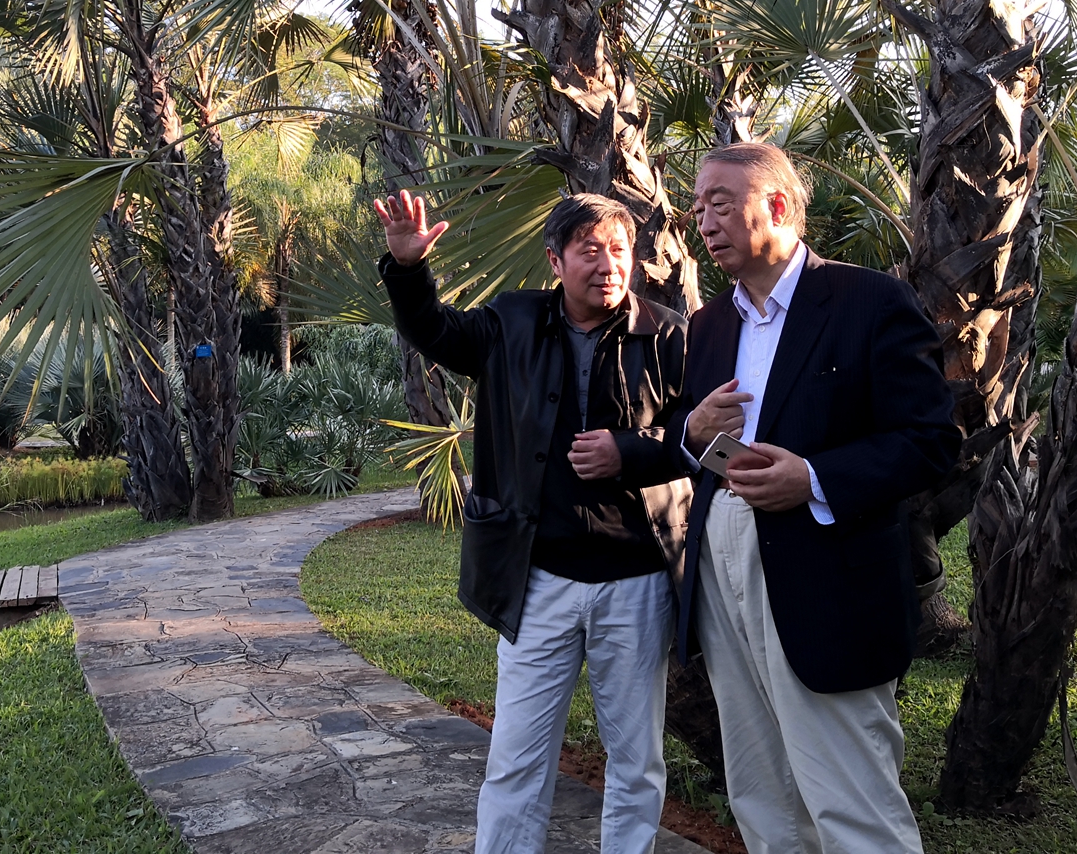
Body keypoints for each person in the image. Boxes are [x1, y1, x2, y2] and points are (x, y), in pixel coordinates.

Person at [374, 189, 691, 854]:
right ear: (555, 260)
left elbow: (700, 437)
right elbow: (435, 330)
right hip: (539, 579)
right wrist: (407, 269)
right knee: (517, 757)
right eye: (589, 250)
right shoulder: (510, 323)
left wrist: (629, 452)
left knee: (636, 761)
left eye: (619, 249)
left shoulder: (667, 334)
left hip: (636, 581)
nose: (608, 263)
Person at [671, 144, 958, 854]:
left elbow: (930, 440)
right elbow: (697, 439)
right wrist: (693, 434)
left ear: (777, 205)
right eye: (697, 207)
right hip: (721, 562)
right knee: (761, 790)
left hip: (826, 570)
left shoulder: (869, 302)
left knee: (850, 797)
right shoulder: (711, 324)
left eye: (719, 203)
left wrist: (815, 478)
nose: (703, 221)